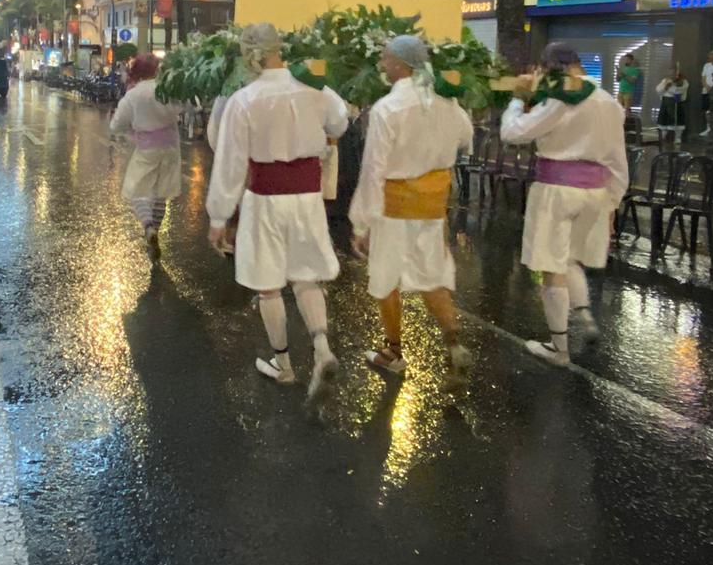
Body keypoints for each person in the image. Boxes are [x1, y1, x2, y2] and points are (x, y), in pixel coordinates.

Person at [206, 23, 349, 397]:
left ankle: (283, 364)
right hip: (306, 197)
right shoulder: (317, 90)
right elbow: (340, 121)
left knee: (269, 284)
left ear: (250, 55)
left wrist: (219, 216)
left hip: (264, 198)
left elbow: (230, 161)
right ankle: (322, 349)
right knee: (305, 276)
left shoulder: (245, 99)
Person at [349, 35, 474, 374]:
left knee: (386, 277)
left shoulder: (387, 109)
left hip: (395, 206)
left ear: (401, 65)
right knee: (432, 275)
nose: (382, 66)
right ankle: (453, 342)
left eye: (386, 60)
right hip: (433, 207)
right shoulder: (448, 104)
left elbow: (374, 168)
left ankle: (392, 352)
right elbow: (466, 138)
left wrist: (362, 223)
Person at [500, 43, 628, 366]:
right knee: (571, 257)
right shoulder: (609, 103)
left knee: (551, 267)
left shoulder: (557, 101)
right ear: (578, 65)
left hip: (556, 191)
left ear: (547, 68)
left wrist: (518, 99)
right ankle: (584, 316)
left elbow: (513, 133)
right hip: (596, 193)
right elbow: (617, 160)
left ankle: (560, 350)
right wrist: (612, 202)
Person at [110, 53, 181, 260]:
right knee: (161, 193)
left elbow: (116, 125)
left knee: (137, 190)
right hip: (171, 147)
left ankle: (148, 226)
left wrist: (131, 131)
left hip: (147, 148)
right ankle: (155, 230)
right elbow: (184, 107)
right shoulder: (166, 89)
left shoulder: (133, 95)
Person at [656, 66, 689, 145]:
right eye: (670, 72)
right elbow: (658, 89)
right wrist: (666, 86)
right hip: (666, 102)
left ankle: (678, 137)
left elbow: (678, 91)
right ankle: (663, 136)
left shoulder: (683, 81)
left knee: (677, 120)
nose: (672, 74)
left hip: (676, 102)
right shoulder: (665, 80)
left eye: (674, 72)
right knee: (664, 120)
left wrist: (670, 87)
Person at [700, 51, 713, 136]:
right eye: (710, 59)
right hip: (706, 91)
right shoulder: (707, 66)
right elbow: (703, 78)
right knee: (707, 110)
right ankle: (708, 128)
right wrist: (706, 86)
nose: (712, 60)